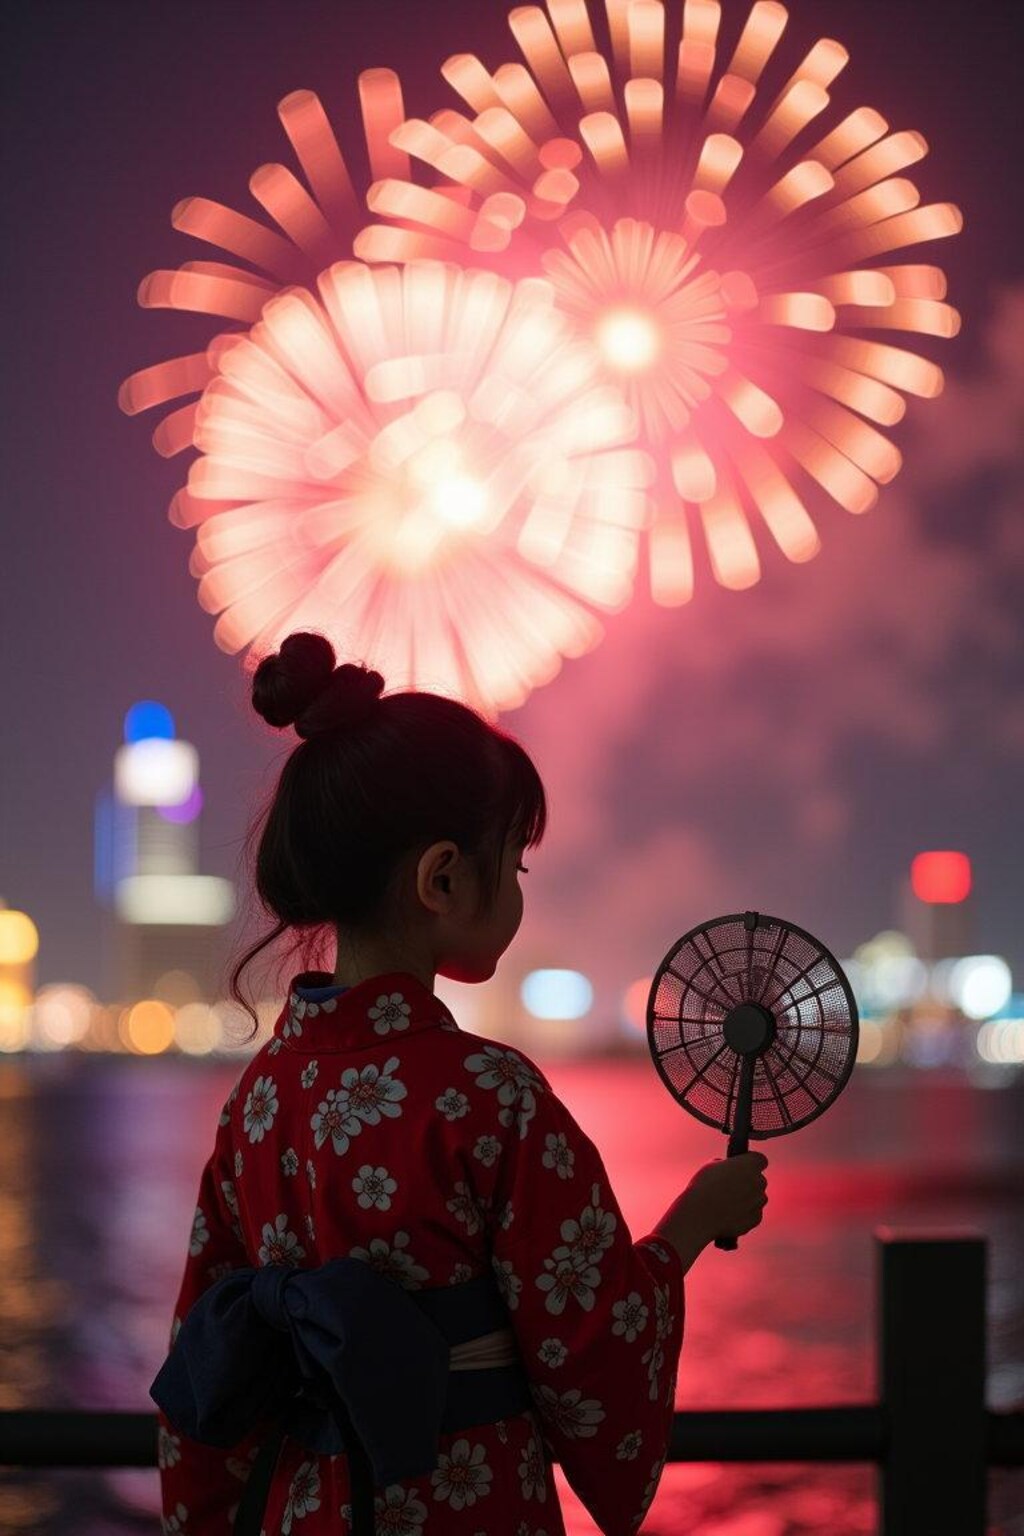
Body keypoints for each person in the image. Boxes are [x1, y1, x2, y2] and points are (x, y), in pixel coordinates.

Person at [153, 631, 769, 1536]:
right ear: (443, 877)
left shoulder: (259, 1097)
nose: (519, 892)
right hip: (462, 1500)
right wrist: (691, 1224)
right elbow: (591, 1344)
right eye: (513, 866)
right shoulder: (491, 1096)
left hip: (303, 1509)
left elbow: (202, 1363)